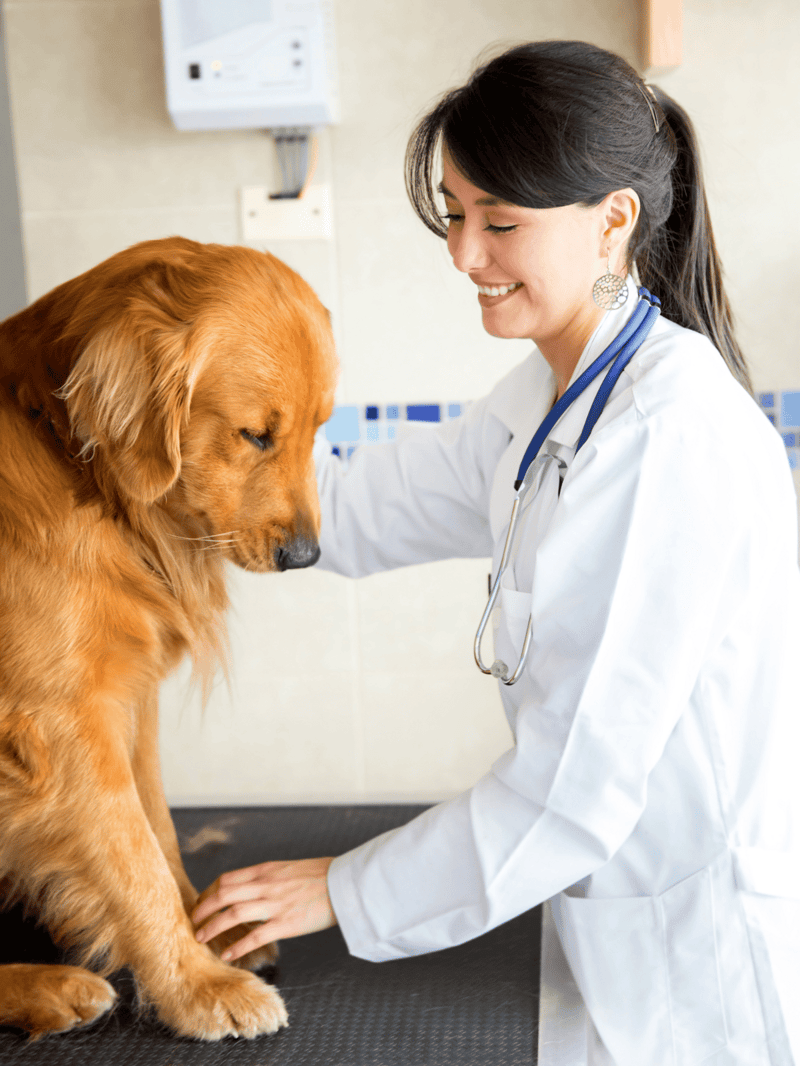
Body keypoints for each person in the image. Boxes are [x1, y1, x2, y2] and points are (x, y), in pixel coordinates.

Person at [192, 40, 800, 1065]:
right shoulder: (547, 400)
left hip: (699, 979)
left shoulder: (663, 439)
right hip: (603, 928)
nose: (463, 254)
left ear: (613, 220)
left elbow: (569, 794)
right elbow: (360, 506)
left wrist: (337, 885)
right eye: (453, 212)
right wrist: (171, 473)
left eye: (498, 223)